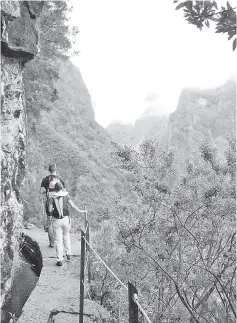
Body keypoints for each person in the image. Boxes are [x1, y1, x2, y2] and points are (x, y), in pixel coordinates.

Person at [48, 182, 86, 266]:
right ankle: (68, 254)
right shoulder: (66, 196)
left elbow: (50, 209)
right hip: (66, 219)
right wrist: (80, 211)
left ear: (55, 189)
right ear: (61, 188)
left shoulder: (52, 198)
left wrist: (52, 211)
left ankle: (59, 259)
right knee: (66, 236)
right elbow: (73, 206)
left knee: (58, 240)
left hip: (57, 220)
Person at [40, 164, 65, 248]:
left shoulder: (45, 179)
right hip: (60, 203)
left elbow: (41, 191)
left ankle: (52, 243)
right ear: (55, 169)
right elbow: (64, 190)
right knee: (60, 219)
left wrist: (47, 191)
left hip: (50, 202)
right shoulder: (60, 179)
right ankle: (61, 242)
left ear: (49, 170)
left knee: (50, 221)